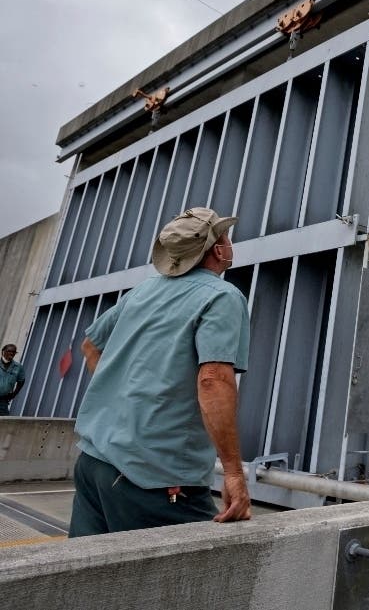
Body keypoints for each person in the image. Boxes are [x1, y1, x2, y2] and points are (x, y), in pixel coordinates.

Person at [69, 207, 252, 537]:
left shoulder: (143, 290)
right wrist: (234, 473)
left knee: (87, 582)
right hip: (155, 477)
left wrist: (124, 401)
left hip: (93, 462)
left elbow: (90, 347)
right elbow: (213, 380)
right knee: (197, 579)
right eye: (224, 236)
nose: (229, 242)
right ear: (216, 249)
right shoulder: (223, 297)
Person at [0, 344, 26, 416]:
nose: (11, 353)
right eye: (9, 351)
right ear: (3, 352)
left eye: (14, 352)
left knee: (4, 422)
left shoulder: (18, 367)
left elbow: (21, 381)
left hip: (3, 401)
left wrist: (14, 394)